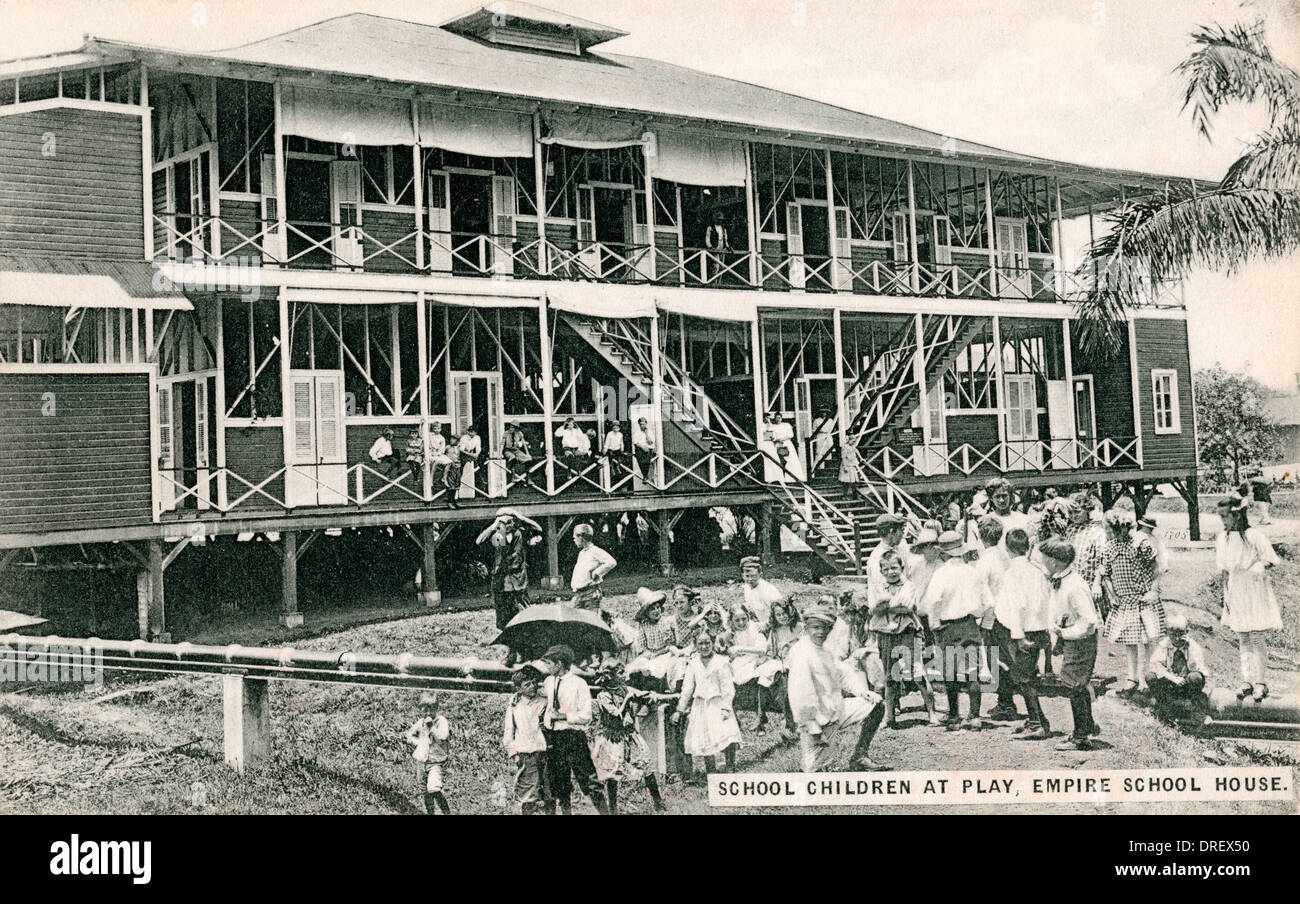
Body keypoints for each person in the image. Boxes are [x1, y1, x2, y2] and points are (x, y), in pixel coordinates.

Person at [787, 601, 887, 772]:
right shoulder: (801, 652)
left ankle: (859, 756)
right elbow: (799, 695)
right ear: (806, 628)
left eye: (825, 628)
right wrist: (812, 726)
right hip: (815, 720)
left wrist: (862, 692)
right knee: (815, 772)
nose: (821, 632)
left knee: (876, 706)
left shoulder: (825, 648)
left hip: (835, 710)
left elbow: (843, 673)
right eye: (816, 627)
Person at [1217, 494, 1281, 702]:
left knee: (1256, 635)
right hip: (1236, 591)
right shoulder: (1222, 538)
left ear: (1237, 516)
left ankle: (1260, 682)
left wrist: (1257, 568)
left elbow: (1271, 559)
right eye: (1221, 518)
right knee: (1243, 636)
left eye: (1226, 517)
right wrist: (1226, 597)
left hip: (1254, 590)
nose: (1223, 522)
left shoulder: (1254, 536)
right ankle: (1247, 680)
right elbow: (1225, 571)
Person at [922, 531, 987, 731]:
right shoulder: (973, 572)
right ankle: (975, 717)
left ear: (942, 553)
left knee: (950, 672)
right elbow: (988, 601)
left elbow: (932, 602)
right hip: (969, 624)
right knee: (972, 672)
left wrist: (934, 624)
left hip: (947, 626)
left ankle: (953, 716)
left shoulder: (940, 574)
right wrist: (982, 621)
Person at [1042, 538, 1102, 751]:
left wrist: (1066, 633)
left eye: (1044, 558)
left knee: (1073, 686)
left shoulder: (1075, 586)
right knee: (1076, 684)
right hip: (1071, 640)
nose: (1042, 561)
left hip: (1081, 641)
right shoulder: (1061, 579)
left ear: (1054, 562)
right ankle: (1088, 724)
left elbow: (1089, 622)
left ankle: (1081, 736)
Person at [870, 548, 939, 727]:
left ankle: (932, 713)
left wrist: (884, 605)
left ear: (902, 568)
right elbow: (873, 609)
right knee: (890, 676)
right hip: (886, 633)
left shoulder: (909, 586)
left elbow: (907, 607)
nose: (890, 572)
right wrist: (885, 606)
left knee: (918, 674)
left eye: (894, 568)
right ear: (881, 572)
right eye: (886, 569)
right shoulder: (878, 587)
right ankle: (889, 716)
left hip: (908, 632)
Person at [1099, 508, 1162, 695]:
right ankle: (1132, 678)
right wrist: (1112, 595)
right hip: (1124, 601)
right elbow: (1106, 574)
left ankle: (1149, 678)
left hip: (1142, 599)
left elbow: (1156, 567)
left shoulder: (1140, 543)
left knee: (1148, 639)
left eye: (1115, 530)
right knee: (1130, 641)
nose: (1113, 535)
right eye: (1110, 531)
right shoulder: (1109, 547)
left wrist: (1153, 590)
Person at [539, 645, 609, 815]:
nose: (547, 668)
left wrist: (563, 716)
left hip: (572, 737)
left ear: (560, 663)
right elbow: (545, 703)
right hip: (552, 738)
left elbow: (587, 715)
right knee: (557, 783)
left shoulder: (579, 684)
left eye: (549, 663)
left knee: (589, 781)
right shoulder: (549, 681)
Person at [998, 529, 1054, 740]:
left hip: (1023, 631)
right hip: (1037, 629)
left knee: (1024, 679)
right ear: (1027, 547)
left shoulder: (1014, 572)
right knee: (1026, 677)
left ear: (1007, 548)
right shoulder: (1036, 569)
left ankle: (1037, 723)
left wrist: (1019, 635)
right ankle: (1039, 719)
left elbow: (1018, 605)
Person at [590, 664, 669, 814]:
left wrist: (651, 695)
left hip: (630, 734)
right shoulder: (603, 695)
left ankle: (658, 802)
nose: (624, 675)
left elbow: (641, 694)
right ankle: (613, 809)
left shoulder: (625, 688)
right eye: (620, 672)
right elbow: (616, 714)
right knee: (614, 772)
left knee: (646, 762)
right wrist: (627, 699)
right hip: (613, 736)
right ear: (611, 676)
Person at [672, 630, 743, 774]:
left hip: (718, 703)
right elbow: (687, 689)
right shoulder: (693, 663)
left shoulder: (721, 661)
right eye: (700, 643)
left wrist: (726, 707)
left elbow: (727, 687)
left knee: (726, 734)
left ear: (713, 643)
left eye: (707, 643)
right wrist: (679, 710)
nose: (704, 646)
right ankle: (711, 770)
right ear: (695, 645)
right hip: (701, 705)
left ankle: (730, 766)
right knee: (705, 737)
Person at [972, 515, 1016, 722]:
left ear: (981, 536)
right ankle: (1007, 701)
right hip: (1008, 613)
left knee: (996, 659)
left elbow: (982, 594)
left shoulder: (984, 562)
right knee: (1006, 658)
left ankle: (1005, 704)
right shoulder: (1005, 557)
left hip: (993, 616)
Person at [476, 508, 544, 637]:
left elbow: (538, 529)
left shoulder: (520, 534)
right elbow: (479, 541)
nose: (507, 526)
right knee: (503, 616)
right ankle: (509, 639)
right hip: (501, 582)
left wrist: (521, 517)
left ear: (514, 522)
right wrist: (495, 525)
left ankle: (528, 637)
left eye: (509, 522)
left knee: (524, 612)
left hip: (518, 580)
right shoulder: (498, 536)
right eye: (504, 523)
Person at [502, 665, 550, 815]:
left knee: (549, 792)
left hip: (545, 751)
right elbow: (508, 733)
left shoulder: (544, 702)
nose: (532, 686)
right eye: (527, 684)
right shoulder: (514, 706)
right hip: (526, 754)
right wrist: (513, 754)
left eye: (534, 682)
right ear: (519, 687)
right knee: (528, 793)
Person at [1146, 611, 1209, 721]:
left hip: (1187, 683)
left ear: (1187, 632)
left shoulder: (1192, 646)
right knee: (1150, 676)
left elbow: (1198, 667)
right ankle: (1163, 706)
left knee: (1195, 677)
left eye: (1180, 634)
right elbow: (1155, 665)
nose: (1177, 638)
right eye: (1173, 634)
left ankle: (1195, 710)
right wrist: (1172, 678)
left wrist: (1189, 649)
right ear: (1167, 633)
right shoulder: (1164, 645)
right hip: (1171, 682)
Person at [404, 692, 452, 815]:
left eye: (431, 708)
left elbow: (443, 737)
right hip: (422, 760)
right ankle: (430, 813)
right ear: (421, 709)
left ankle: (446, 812)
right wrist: (417, 742)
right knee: (424, 790)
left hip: (435, 761)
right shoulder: (421, 722)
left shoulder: (441, 721)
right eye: (425, 709)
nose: (428, 712)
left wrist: (432, 728)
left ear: (436, 708)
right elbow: (409, 735)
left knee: (433, 788)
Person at [627, 588, 684, 690]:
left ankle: (659, 690)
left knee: (658, 668)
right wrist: (647, 654)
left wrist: (657, 653)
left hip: (665, 652)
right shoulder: (643, 625)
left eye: (658, 607)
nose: (656, 611)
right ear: (646, 612)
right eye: (652, 609)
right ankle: (640, 692)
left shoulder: (667, 622)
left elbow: (671, 644)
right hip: (650, 653)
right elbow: (642, 645)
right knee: (636, 667)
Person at [570, 523, 617, 610]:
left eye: (575, 538)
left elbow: (611, 562)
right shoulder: (582, 553)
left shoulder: (595, 551)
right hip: (579, 593)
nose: (574, 540)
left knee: (591, 619)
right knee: (573, 617)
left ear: (581, 537)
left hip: (590, 593)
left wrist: (597, 572)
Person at [865, 513, 910, 599]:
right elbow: (882, 591)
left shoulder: (901, 548)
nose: (903, 534)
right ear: (891, 531)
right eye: (901, 530)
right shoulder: (876, 558)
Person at [739, 555, 782, 626]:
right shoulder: (747, 586)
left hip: (775, 625)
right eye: (747, 576)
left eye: (753, 576)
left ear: (760, 575)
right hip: (759, 624)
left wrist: (765, 625)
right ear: (742, 576)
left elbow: (780, 614)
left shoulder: (768, 591)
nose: (750, 579)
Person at [631, 417, 655, 483]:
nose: (642, 426)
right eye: (641, 424)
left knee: (647, 461)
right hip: (640, 449)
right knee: (641, 460)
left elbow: (650, 442)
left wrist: (646, 433)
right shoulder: (637, 432)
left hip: (648, 449)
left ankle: (645, 477)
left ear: (646, 424)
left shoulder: (650, 432)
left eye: (643, 424)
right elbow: (635, 442)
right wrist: (642, 447)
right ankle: (645, 476)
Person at [459, 426, 482, 492]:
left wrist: (476, 454)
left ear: (476, 432)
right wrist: (471, 455)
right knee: (461, 469)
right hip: (464, 454)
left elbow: (478, 447)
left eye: (473, 432)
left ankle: (480, 486)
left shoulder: (477, 438)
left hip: (472, 454)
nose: (471, 433)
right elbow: (462, 450)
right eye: (470, 432)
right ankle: (458, 486)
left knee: (478, 468)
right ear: (467, 432)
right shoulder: (464, 438)